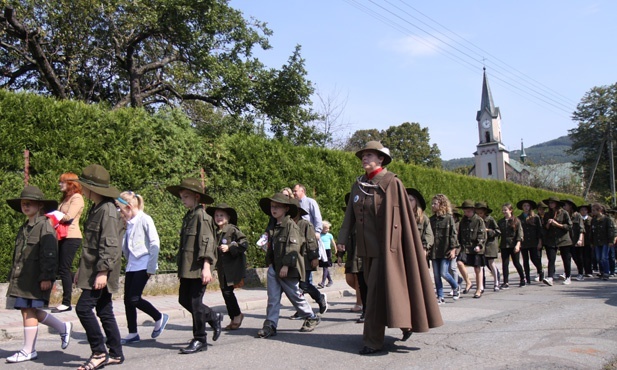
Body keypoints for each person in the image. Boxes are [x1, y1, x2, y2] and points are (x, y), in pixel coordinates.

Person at [337, 141, 443, 355]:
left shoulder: (391, 182)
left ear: (381, 159)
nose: (364, 158)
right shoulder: (358, 184)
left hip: (387, 250)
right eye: (363, 156)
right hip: (365, 250)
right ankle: (406, 322)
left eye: (369, 155)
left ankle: (372, 341)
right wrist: (342, 239)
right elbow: (350, 215)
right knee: (381, 291)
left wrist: (394, 248)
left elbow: (400, 220)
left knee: (375, 294)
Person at [5, 186, 72, 363]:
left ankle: (28, 350)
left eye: (29, 204)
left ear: (39, 205)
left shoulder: (45, 226)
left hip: (36, 277)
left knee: (29, 311)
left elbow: (50, 254)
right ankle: (62, 326)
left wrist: (47, 277)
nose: (25, 206)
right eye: (23, 204)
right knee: (28, 310)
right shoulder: (25, 227)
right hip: (24, 277)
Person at [75, 164, 125, 369]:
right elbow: (91, 245)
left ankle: (98, 352)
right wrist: (81, 269)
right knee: (104, 310)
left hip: (101, 271)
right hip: (92, 269)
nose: (82, 189)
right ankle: (116, 353)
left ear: (91, 188)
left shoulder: (107, 210)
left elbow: (110, 244)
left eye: (84, 185)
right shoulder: (97, 208)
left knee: (83, 308)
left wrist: (103, 272)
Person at [166, 178, 222, 354]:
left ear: (197, 197)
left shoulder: (202, 217)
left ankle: (200, 339)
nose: (183, 200)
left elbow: (207, 243)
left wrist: (206, 267)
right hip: (188, 267)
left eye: (186, 196)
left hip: (199, 267)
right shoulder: (189, 215)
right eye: (181, 196)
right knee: (184, 299)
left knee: (196, 304)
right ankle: (213, 317)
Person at [257, 192, 321, 338]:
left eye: (277, 207)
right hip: (274, 267)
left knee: (294, 296)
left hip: (288, 268)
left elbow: (293, 247)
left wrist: (286, 265)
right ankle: (270, 325)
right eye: (272, 206)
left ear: (286, 209)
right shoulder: (273, 226)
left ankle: (311, 316)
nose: (274, 209)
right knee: (273, 298)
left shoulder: (291, 226)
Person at [116, 191, 168, 344]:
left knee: (134, 298)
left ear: (129, 206)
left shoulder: (145, 219)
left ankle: (159, 316)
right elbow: (127, 245)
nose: (120, 213)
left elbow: (154, 243)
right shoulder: (129, 223)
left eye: (121, 209)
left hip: (144, 264)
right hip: (132, 265)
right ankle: (133, 333)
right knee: (127, 300)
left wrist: (151, 267)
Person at [206, 203, 249, 330]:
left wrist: (230, 247)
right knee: (225, 292)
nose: (218, 217)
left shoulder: (232, 229)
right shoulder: (215, 231)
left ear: (228, 217)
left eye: (222, 215)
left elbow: (244, 243)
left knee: (228, 292)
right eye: (216, 215)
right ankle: (235, 316)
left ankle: (236, 315)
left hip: (232, 267)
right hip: (223, 268)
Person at [289, 198, 328, 319]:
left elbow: (312, 241)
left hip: (305, 259)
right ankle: (301, 309)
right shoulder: (288, 224)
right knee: (295, 286)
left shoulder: (305, 224)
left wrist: (314, 257)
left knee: (303, 285)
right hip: (293, 260)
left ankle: (319, 297)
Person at [53, 172, 84, 313]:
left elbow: (68, 217)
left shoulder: (77, 198)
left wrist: (53, 215)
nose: (60, 184)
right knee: (61, 268)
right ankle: (83, 280)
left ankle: (66, 303)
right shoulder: (66, 198)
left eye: (63, 182)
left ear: (71, 183)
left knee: (64, 268)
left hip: (72, 236)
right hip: (62, 235)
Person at [429, 194, 460, 304]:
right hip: (434, 251)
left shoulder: (448, 218)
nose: (432, 206)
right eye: (432, 203)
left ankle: (455, 286)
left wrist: (453, 249)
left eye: (435, 203)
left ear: (442, 205)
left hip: (445, 250)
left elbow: (453, 234)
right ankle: (440, 296)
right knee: (436, 275)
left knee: (444, 272)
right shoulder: (431, 220)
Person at [341, 193, 366, 323]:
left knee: (359, 279)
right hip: (351, 254)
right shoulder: (349, 223)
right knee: (350, 279)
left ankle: (361, 303)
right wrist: (339, 254)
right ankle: (365, 299)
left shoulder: (365, 222)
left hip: (361, 255)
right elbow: (344, 237)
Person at [541, 197, 572, 286]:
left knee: (566, 259)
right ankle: (550, 277)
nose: (550, 204)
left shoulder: (564, 213)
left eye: (552, 203)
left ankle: (568, 276)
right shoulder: (547, 214)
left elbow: (569, 226)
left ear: (557, 204)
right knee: (551, 258)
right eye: (549, 203)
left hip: (563, 239)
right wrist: (548, 223)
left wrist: (557, 224)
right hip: (551, 239)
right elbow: (544, 228)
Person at [459, 201, 487, 298]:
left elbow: (482, 234)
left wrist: (479, 245)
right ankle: (468, 282)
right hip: (466, 247)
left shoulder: (479, 220)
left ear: (473, 210)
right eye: (465, 211)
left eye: (468, 211)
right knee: (459, 263)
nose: (466, 213)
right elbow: (460, 235)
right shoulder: (463, 221)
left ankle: (479, 289)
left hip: (476, 248)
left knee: (477, 268)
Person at [498, 203, 526, 288]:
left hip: (513, 244)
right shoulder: (501, 222)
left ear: (510, 210)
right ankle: (506, 282)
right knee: (505, 264)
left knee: (516, 263)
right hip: (504, 245)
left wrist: (518, 244)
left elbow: (520, 234)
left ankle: (522, 278)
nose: (504, 212)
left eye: (505, 210)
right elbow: (498, 233)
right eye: (503, 210)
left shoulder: (516, 221)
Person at [516, 200, 544, 284]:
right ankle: (527, 277)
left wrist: (540, 242)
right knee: (525, 260)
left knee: (534, 258)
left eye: (527, 206)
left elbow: (539, 230)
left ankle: (540, 270)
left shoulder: (535, 217)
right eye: (524, 206)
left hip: (533, 241)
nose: (526, 207)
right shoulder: (519, 218)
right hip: (524, 242)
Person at [475, 203, 500, 291]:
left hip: (490, 244)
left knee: (491, 263)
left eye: (481, 213)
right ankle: (482, 284)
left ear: (485, 212)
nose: (479, 215)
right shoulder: (476, 220)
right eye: (477, 213)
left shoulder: (490, 219)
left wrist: (488, 231)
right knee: (481, 265)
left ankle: (496, 282)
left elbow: (497, 231)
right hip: (481, 244)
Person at [590, 203, 615, 280]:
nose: (593, 212)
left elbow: (611, 230)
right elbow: (592, 232)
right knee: (598, 258)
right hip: (597, 242)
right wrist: (592, 242)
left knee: (604, 257)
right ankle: (602, 272)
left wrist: (611, 240)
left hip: (605, 241)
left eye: (594, 210)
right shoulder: (593, 220)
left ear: (599, 210)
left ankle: (607, 272)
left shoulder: (607, 220)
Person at [564, 199, 584, 284]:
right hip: (566, 240)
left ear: (570, 206)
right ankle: (567, 274)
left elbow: (581, 228)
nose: (564, 207)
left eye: (565, 205)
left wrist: (580, 239)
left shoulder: (577, 215)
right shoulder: (564, 215)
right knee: (567, 258)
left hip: (575, 240)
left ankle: (580, 273)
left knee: (577, 257)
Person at [577, 204, 594, 278]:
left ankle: (588, 271)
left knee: (588, 256)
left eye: (585, 210)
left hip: (588, 240)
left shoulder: (591, 219)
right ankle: (581, 271)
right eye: (581, 210)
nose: (583, 211)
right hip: (580, 240)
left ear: (587, 211)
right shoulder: (578, 219)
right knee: (580, 257)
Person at [318, 221, 336, 288]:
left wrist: (335, 249)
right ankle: (330, 281)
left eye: (328, 228)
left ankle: (322, 282)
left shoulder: (329, 235)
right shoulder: (319, 234)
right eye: (326, 229)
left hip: (328, 251)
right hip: (322, 251)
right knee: (325, 267)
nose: (327, 230)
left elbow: (333, 242)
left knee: (325, 267)